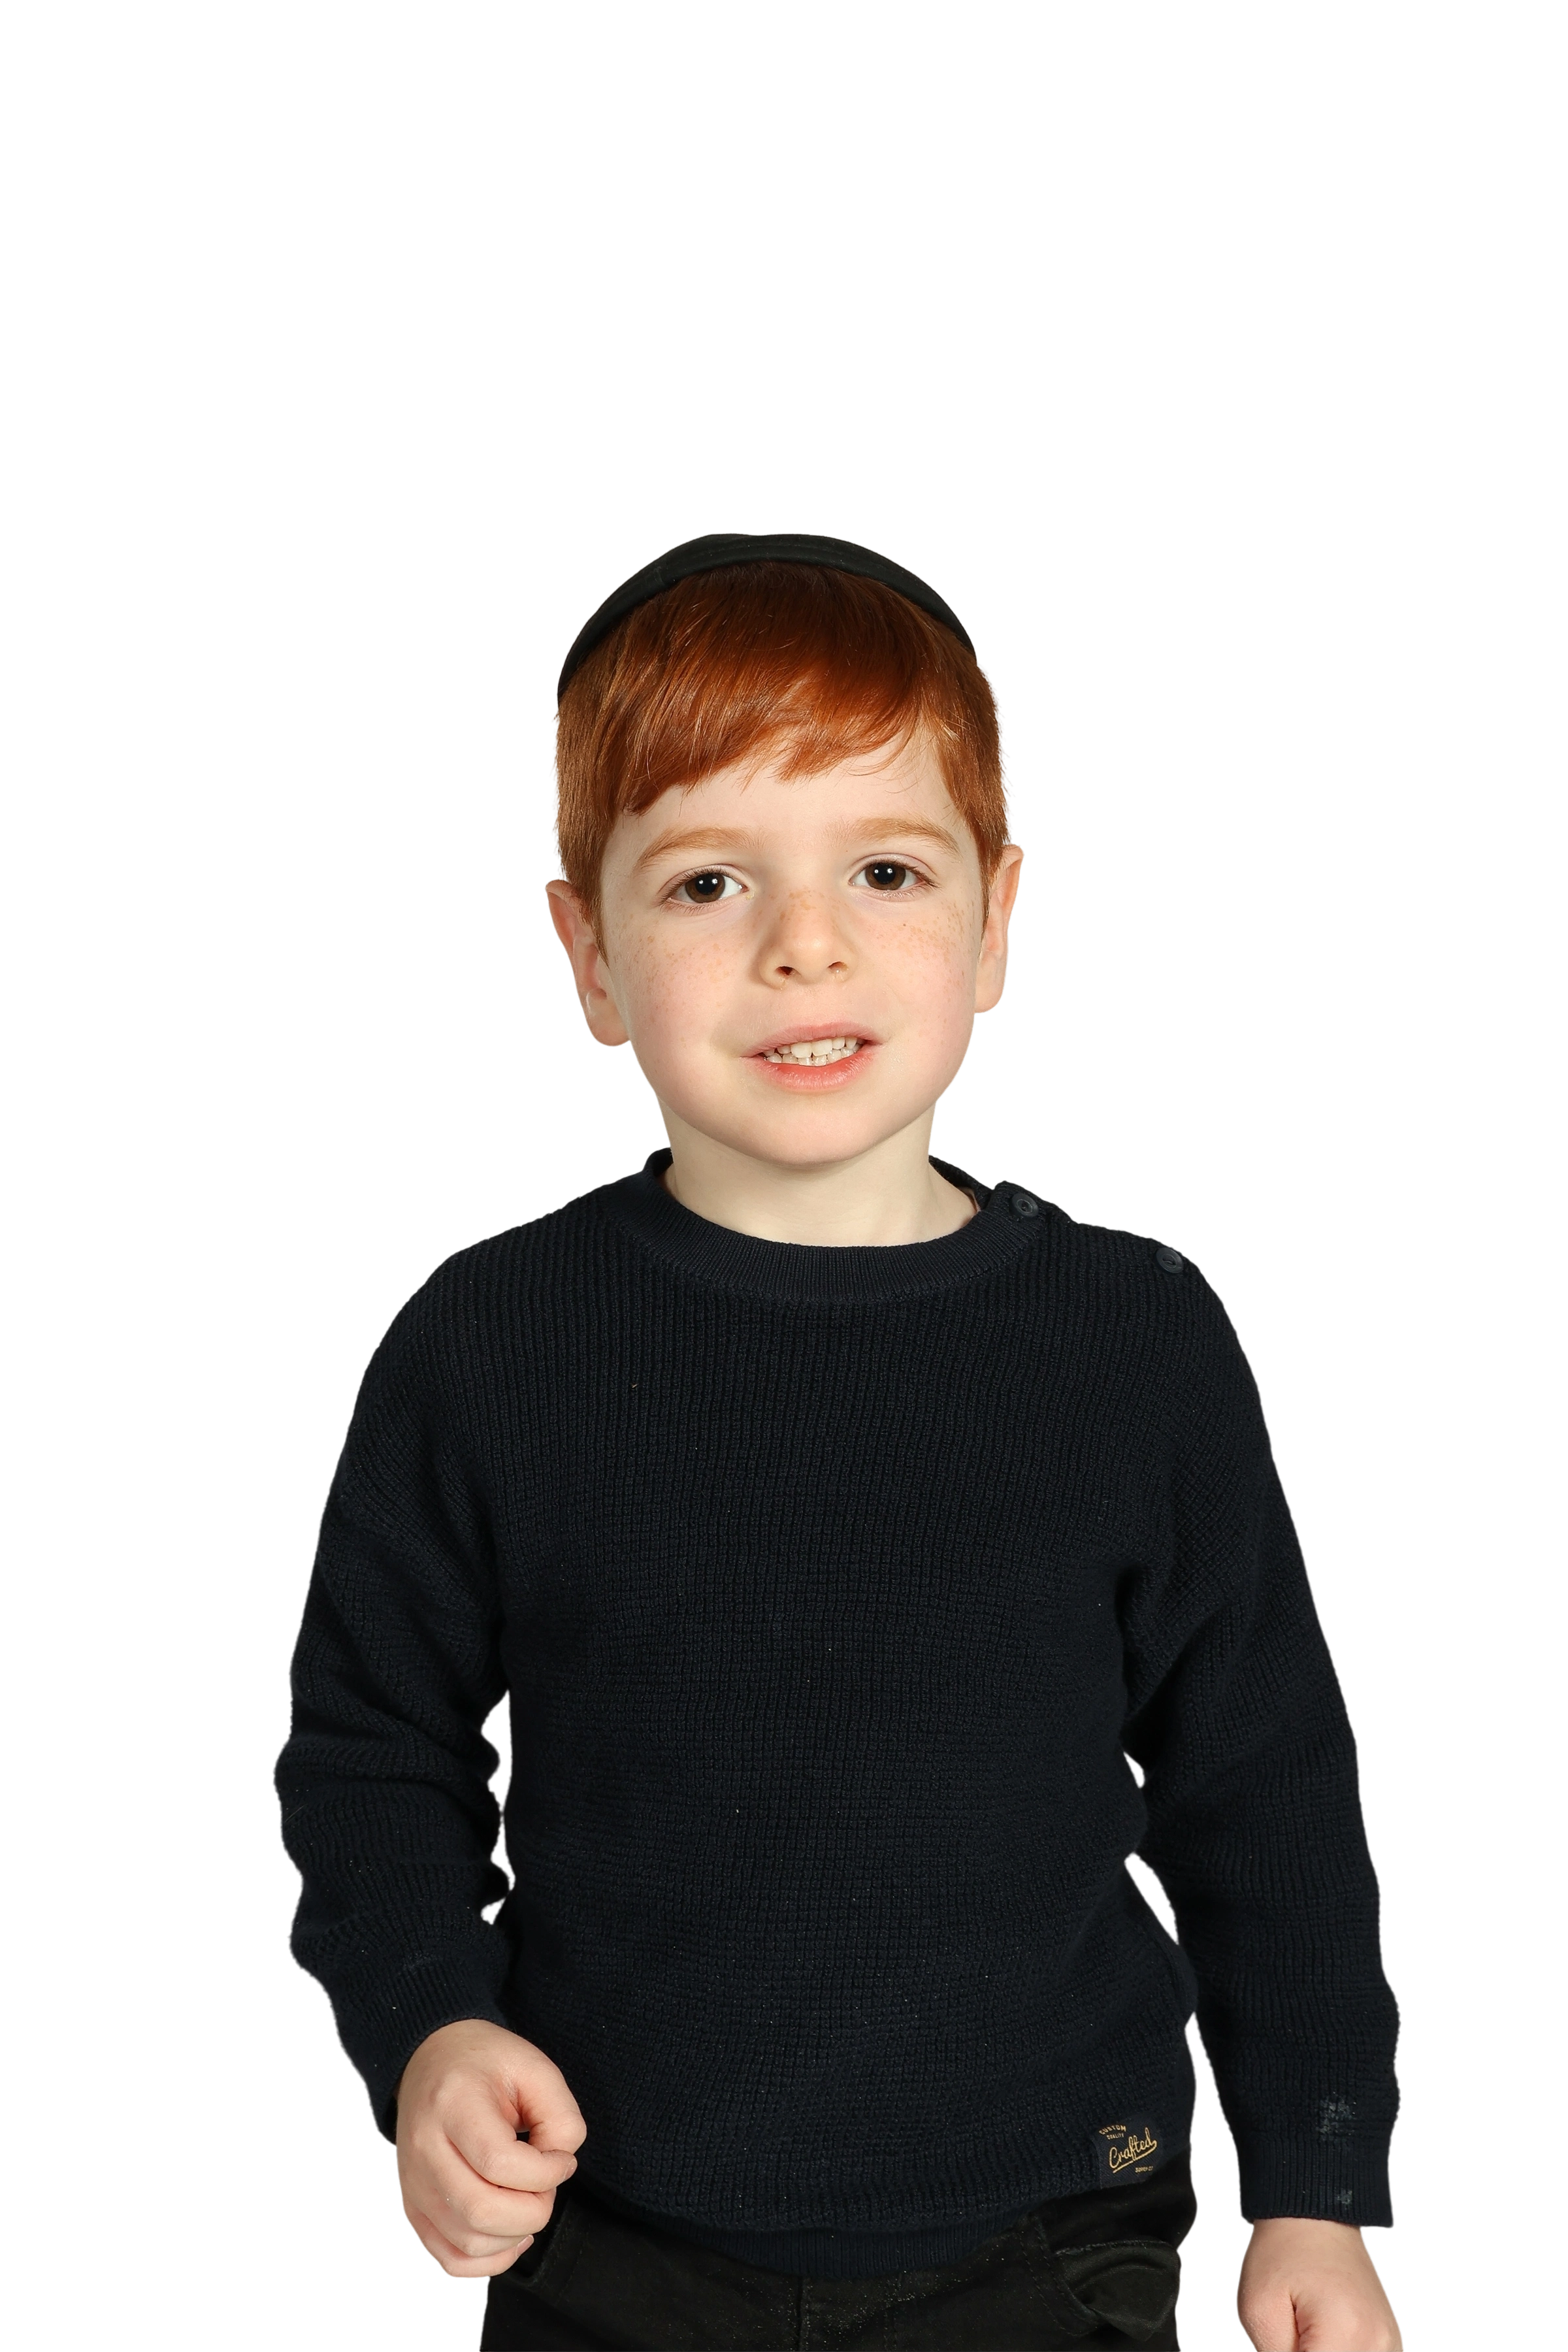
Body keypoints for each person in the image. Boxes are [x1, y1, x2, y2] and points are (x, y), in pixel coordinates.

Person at [272, 531, 1407, 2351]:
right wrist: (430, 2031)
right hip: (611, 2243)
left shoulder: (1137, 1342)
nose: (804, 942)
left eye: (885, 868)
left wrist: (1318, 2187)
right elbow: (369, 1752)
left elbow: (1263, 1792)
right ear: (588, 953)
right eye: (709, 880)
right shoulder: (485, 1348)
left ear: (998, 918)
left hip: (1048, 2243)